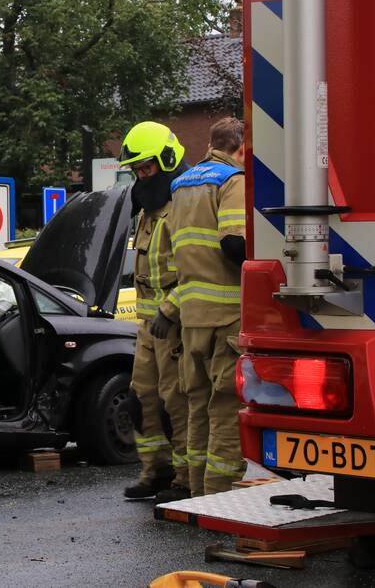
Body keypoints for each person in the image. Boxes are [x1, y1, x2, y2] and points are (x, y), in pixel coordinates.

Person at [153, 116, 247, 497]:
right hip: (228, 314)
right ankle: (220, 497)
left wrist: (172, 307)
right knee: (225, 406)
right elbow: (234, 245)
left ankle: (194, 490)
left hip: (192, 318)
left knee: (197, 405)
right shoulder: (232, 181)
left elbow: (175, 256)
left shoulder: (180, 185)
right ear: (239, 148)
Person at [117, 122, 191, 502]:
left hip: (174, 326)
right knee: (140, 398)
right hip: (148, 327)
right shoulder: (148, 210)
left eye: (147, 167)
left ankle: (184, 478)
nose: (142, 175)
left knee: (174, 402)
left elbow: (198, 270)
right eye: (137, 169)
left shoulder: (182, 208)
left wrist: (169, 310)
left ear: (166, 160)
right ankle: (155, 471)